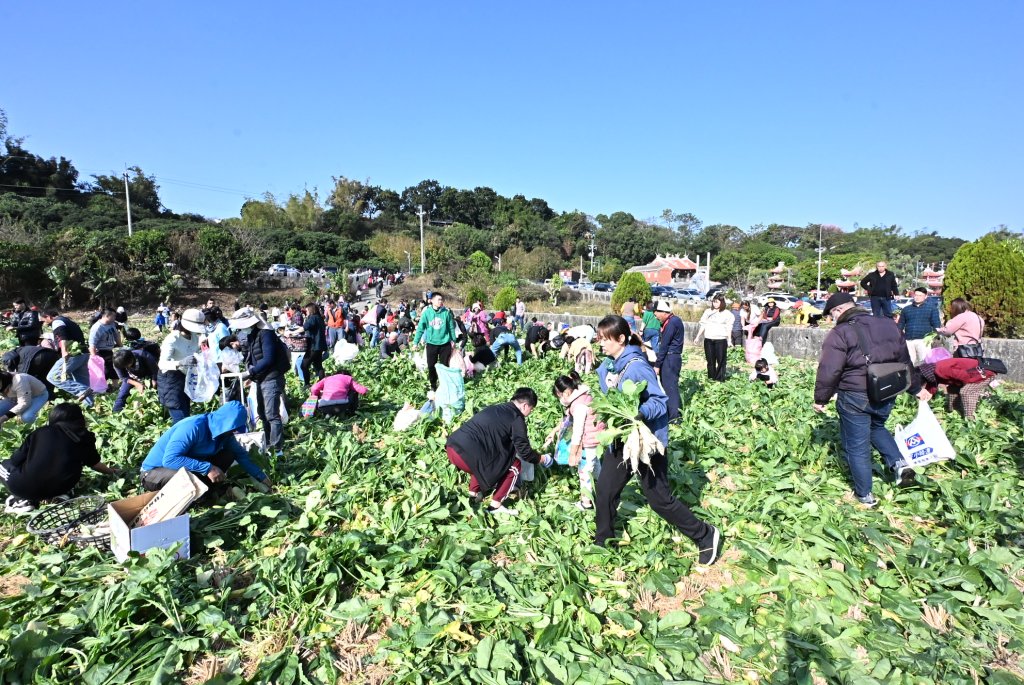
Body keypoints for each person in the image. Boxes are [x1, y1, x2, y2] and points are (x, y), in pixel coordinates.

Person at [593, 315, 721, 563]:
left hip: (645, 441)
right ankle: (603, 542)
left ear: (620, 339)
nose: (600, 343)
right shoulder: (613, 364)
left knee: (660, 500)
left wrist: (637, 414)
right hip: (623, 440)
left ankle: (705, 535)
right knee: (606, 490)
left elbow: (659, 402)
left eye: (604, 339)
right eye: (599, 338)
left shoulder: (636, 366)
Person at [812, 292, 931, 507]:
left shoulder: (841, 332)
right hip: (886, 390)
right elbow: (905, 360)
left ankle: (865, 495)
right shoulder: (888, 325)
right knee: (876, 427)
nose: (832, 319)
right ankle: (899, 464)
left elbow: (829, 369)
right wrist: (914, 389)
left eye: (832, 314)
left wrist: (821, 398)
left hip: (855, 394)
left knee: (857, 445)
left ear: (839, 310)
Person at [445, 388, 550, 516]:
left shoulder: (496, 408)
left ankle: (472, 495)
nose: (530, 412)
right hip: (467, 458)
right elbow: (525, 452)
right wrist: (543, 459)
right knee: (515, 465)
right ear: (524, 406)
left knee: (488, 456)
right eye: (531, 409)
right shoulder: (516, 418)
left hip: (452, 448)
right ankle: (495, 506)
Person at [1, 403, 117, 515]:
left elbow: (15, 460)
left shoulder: (40, 432)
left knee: (3, 465)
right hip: (62, 487)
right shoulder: (85, 437)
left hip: (24, 487)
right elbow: (94, 464)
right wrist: (112, 472)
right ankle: (61, 495)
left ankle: (24, 500)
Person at [141, 401, 272, 492]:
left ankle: (205, 491)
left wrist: (262, 477)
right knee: (186, 478)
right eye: (233, 428)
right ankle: (195, 498)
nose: (234, 432)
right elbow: (170, 460)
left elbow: (242, 456)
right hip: (154, 473)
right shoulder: (193, 427)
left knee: (229, 454)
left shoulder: (224, 435)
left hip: (183, 469)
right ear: (225, 423)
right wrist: (208, 468)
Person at [229, 307, 289, 457]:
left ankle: (277, 449)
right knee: (262, 413)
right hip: (261, 378)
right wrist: (251, 373)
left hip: (272, 377)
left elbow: (268, 359)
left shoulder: (266, 333)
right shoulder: (252, 335)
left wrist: (250, 373)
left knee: (271, 414)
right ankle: (268, 443)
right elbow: (253, 357)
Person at [546, 372, 604, 510]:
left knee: (584, 471)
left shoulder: (578, 406)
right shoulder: (584, 396)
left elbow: (577, 431)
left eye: (559, 395)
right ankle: (603, 488)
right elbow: (567, 421)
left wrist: (574, 452)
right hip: (596, 438)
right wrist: (554, 431)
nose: (559, 398)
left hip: (588, 441)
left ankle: (586, 503)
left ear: (565, 392)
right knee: (594, 465)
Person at [157, 308, 207, 424]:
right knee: (181, 419)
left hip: (186, 378)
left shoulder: (195, 337)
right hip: (170, 379)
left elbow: (193, 352)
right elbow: (162, 364)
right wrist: (179, 362)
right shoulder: (172, 339)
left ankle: (183, 440)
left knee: (186, 414)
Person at [413, 292, 458, 391]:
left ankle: (444, 385)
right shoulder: (427, 313)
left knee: (444, 366)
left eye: (442, 299)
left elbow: (451, 327)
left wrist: (453, 340)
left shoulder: (446, 313)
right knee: (431, 366)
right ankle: (433, 385)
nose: (441, 301)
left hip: (445, 344)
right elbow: (420, 328)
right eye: (439, 299)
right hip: (432, 344)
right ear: (432, 301)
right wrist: (415, 342)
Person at [652, 300, 684, 422]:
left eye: (656, 315)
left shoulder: (671, 323)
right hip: (672, 357)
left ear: (663, 312)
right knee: (670, 386)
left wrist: (657, 364)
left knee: (670, 387)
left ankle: (674, 417)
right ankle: (674, 413)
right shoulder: (673, 320)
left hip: (670, 358)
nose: (656, 318)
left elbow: (664, 345)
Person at [898, 288, 941, 366]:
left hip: (924, 341)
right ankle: (910, 378)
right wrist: (898, 336)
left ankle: (923, 378)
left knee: (925, 363)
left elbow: (936, 325)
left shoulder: (932, 309)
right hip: (908, 340)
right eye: (916, 295)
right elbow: (900, 324)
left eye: (920, 295)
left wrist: (934, 338)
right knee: (908, 364)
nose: (917, 297)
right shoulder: (906, 309)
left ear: (925, 296)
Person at [112, 347, 159, 413]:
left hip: (148, 375)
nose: (126, 367)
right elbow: (123, 377)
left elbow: (155, 371)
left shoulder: (144, 355)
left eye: (127, 365)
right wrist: (137, 384)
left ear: (131, 359)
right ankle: (116, 413)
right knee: (122, 394)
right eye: (124, 367)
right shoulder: (117, 363)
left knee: (157, 391)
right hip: (131, 377)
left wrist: (154, 380)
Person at [698, 295, 733, 382]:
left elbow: (729, 327)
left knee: (721, 360)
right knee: (710, 361)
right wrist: (698, 336)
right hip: (709, 339)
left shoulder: (727, 313)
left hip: (720, 339)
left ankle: (719, 379)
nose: (715, 304)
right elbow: (703, 324)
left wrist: (729, 340)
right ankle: (711, 378)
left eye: (717, 302)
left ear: (722, 303)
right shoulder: (707, 311)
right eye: (714, 301)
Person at [88, 308, 122, 381]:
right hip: (100, 352)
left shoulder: (111, 324)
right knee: (105, 371)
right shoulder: (97, 328)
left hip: (109, 350)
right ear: (107, 316)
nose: (115, 318)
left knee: (113, 368)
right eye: (114, 316)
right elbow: (92, 345)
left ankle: (115, 386)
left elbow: (116, 335)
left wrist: (120, 345)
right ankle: (101, 387)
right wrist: (95, 359)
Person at [301, 303, 327, 387]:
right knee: (318, 365)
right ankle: (322, 384)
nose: (306, 312)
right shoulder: (319, 318)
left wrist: (292, 332)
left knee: (304, 365)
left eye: (307, 310)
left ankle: (307, 384)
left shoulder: (313, 318)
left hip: (314, 346)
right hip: (319, 346)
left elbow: (305, 327)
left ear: (311, 310)